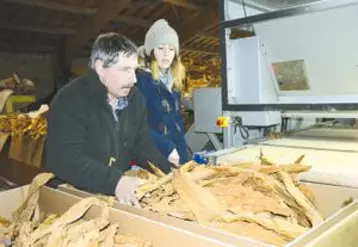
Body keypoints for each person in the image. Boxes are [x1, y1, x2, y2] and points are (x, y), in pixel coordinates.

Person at [45, 32, 173, 207]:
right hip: (76, 194)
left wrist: (169, 174)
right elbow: (64, 159)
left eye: (134, 70)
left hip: (114, 191)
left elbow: (142, 146)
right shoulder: (70, 99)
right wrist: (115, 182)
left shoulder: (135, 99)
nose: (134, 79)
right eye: (125, 70)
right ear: (100, 68)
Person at [136, 19, 189, 166]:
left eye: (171, 49)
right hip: (153, 154)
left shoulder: (174, 83)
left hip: (175, 153)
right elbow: (137, 124)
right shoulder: (142, 81)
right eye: (160, 48)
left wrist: (185, 157)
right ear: (151, 52)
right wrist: (167, 148)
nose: (166, 54)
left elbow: (177, 122)